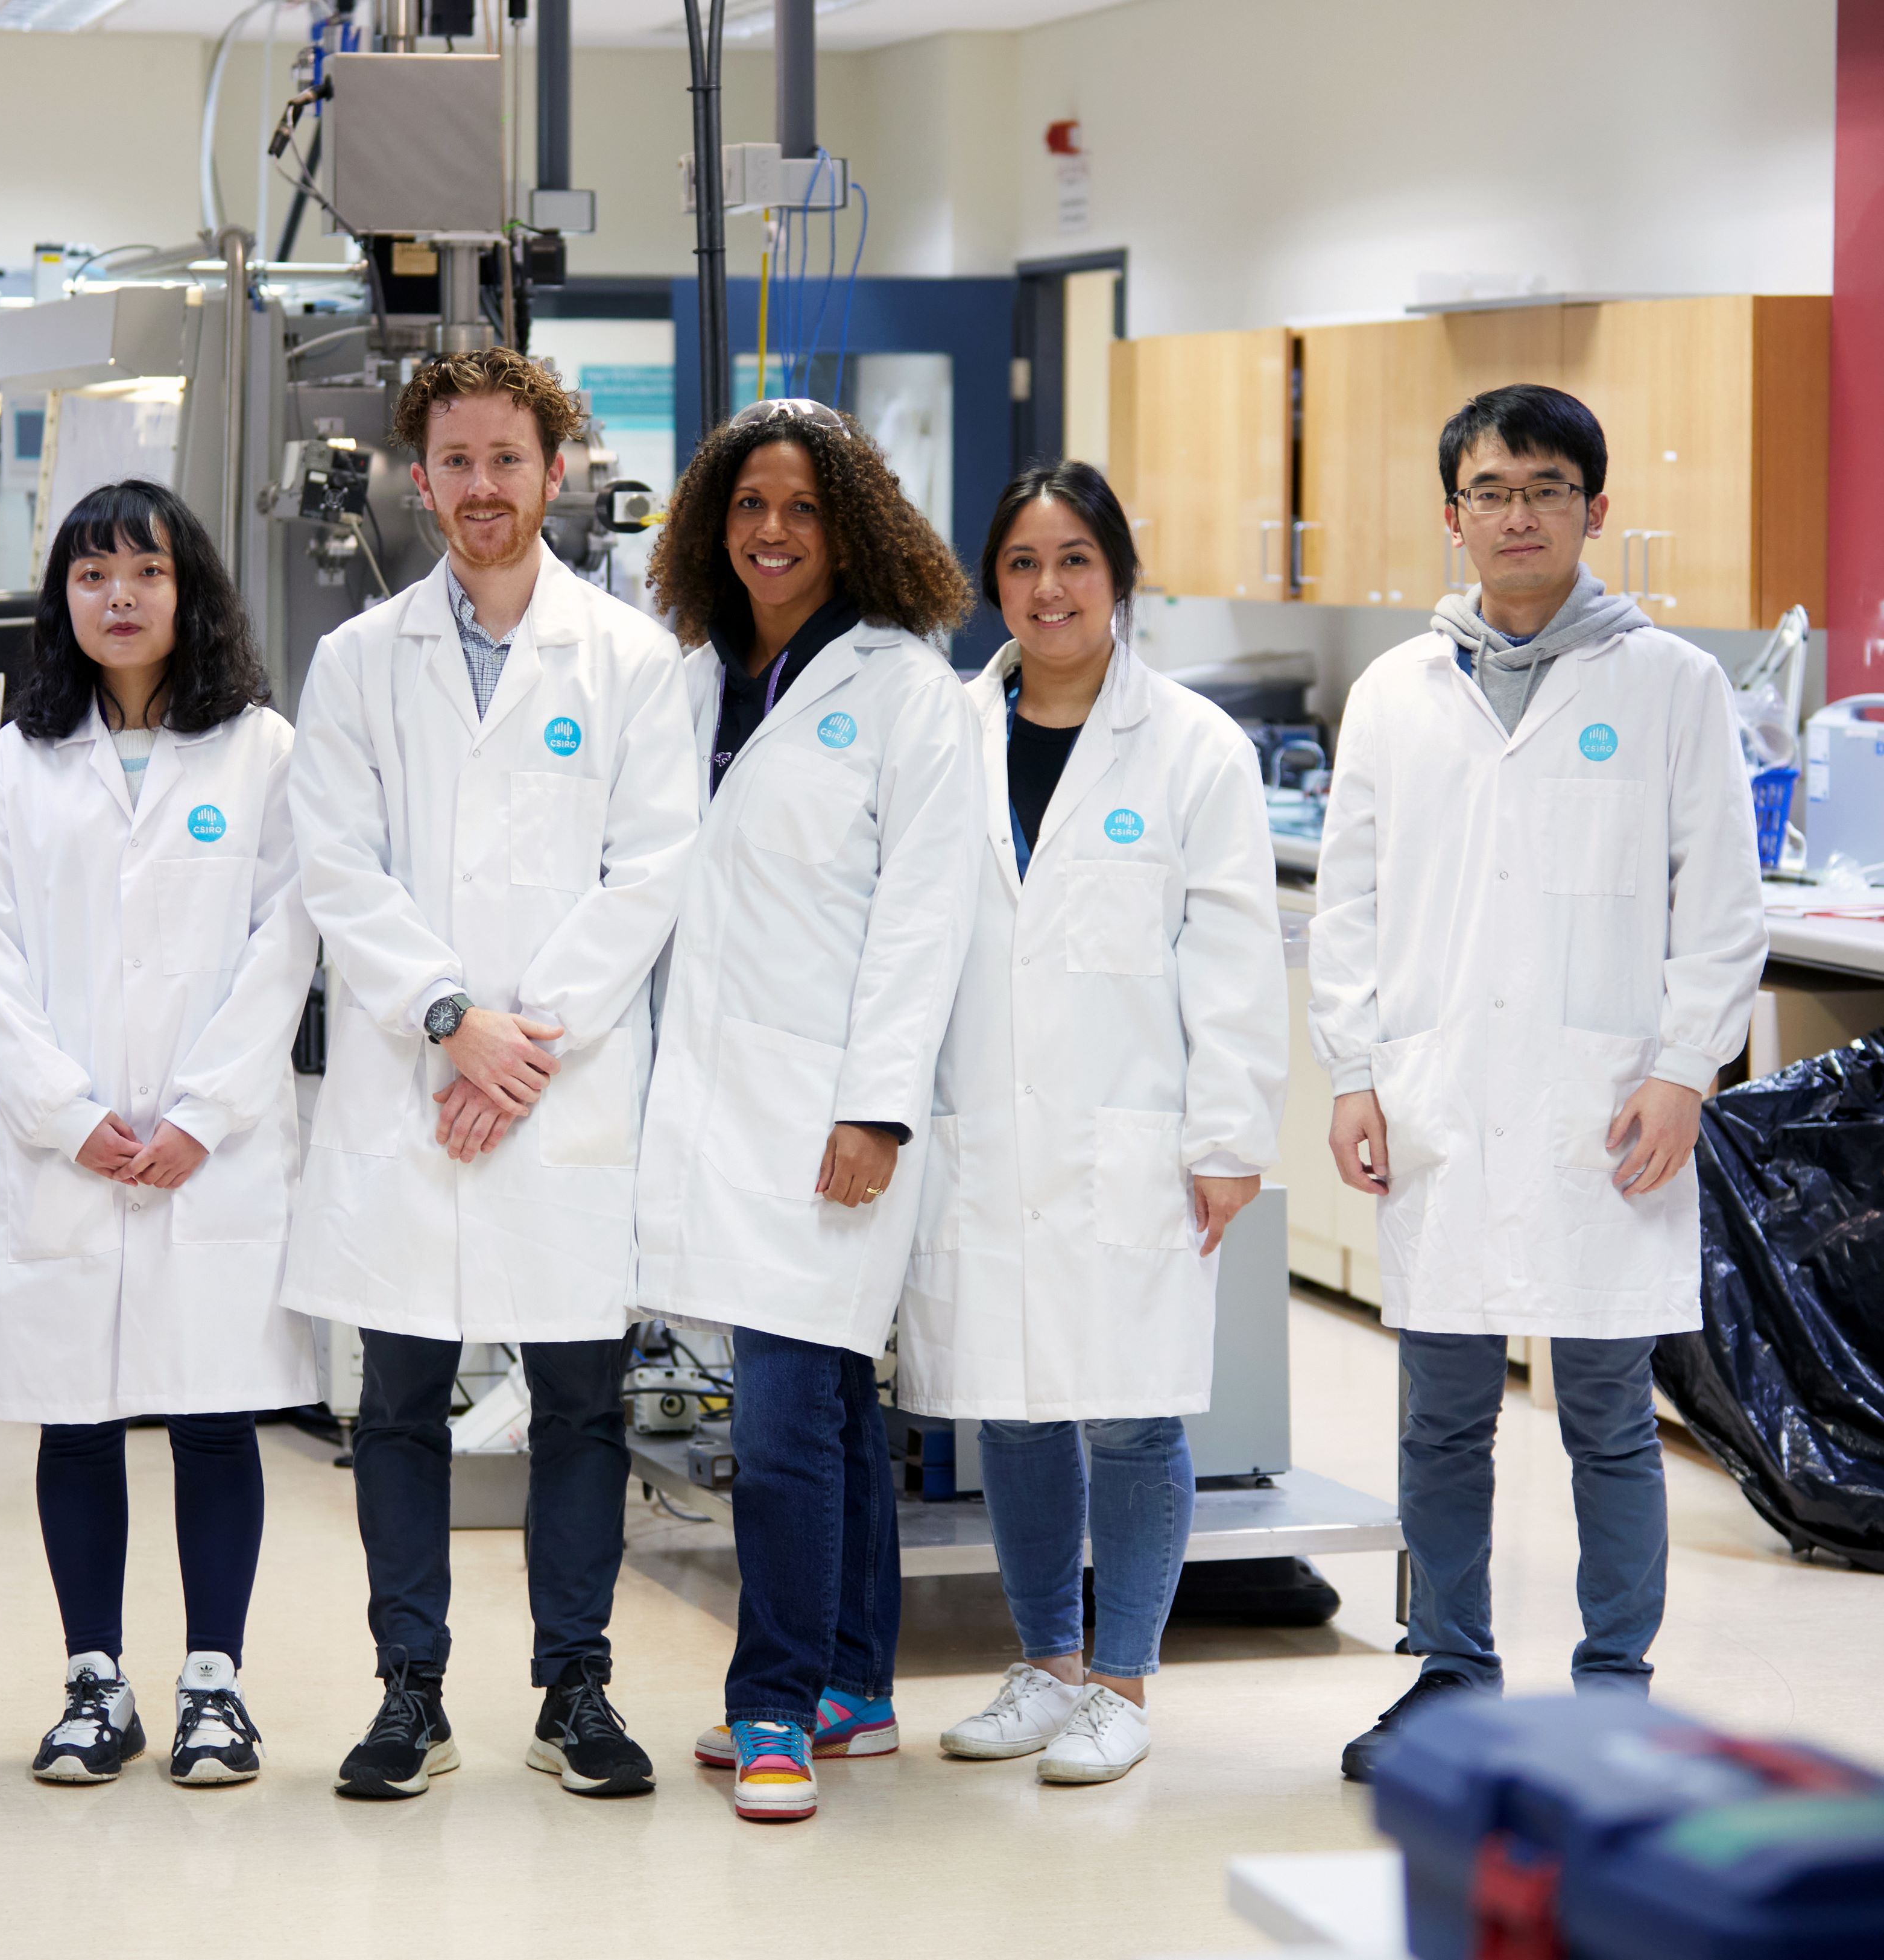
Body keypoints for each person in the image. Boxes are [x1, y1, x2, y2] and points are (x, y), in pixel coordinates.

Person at [1312, 385, 1768, 1780]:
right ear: (1452, 515)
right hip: (1441, 1099)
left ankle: (1611, 1692)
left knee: (1608, 1420)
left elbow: (1724, 903)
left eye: (1548, 489)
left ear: (1596, 511)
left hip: (1604, 1110)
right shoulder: (1396, 690)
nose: (1520, 514)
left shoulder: (1672, 683)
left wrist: (1687, 1067)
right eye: (1494, 490)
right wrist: (1353, 1068)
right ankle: (1450, 1673)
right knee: (1440, 1414)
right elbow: (1350, 900)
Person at [285, 347, 698, 1801]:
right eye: (454, 461)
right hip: (419, 1081)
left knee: (581, 1406)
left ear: (557, 471)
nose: (481, 488)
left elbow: (649, 869)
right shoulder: (357, 661)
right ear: (419, 479)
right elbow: (335, 862)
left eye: (506, 460)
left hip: (559, 1088)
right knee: (393, 1404)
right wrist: (453, 1018)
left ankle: (572, 1685)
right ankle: (411, 1687)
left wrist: (521, 1047)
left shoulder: (632, 658)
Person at [897, 462, 1287, 1785]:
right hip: (988, 1132)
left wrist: (1227, 1138)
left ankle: (1121, 1679)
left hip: (1136, 1134)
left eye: (1073, 560)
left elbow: (1233, 957)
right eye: (1021, 563)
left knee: (1128, 1413)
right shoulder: (944, 734)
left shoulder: (1191, 748)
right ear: (989, 582)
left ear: (1118, 574)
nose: (1047, 588)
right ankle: (1045, 1663)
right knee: (1009, 1405)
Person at [634, 397, 984, 1823]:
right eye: (748, 507)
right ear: (715, 529)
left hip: (836, 1111)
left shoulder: (906, 690)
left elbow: (926, 919)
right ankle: (857, 1681)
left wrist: (877, 1109)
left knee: (783, 1420)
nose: (772, 531)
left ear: (854, 527)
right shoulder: (697, 679)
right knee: (830, 1402)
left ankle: (768, 1702)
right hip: (715, 1099)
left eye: (801, 507)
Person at [0, 479, 318, 1788]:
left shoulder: (261, 749)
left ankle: (215, 1683)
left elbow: (289, 941)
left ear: (189, 589)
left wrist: (204, 1114)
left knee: (216, 1413)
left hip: (209, 1148)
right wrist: (67, 1114)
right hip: (73, 1149)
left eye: (145, 572)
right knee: (77, 1414)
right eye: (93, 573)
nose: (119, 596)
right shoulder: (12, 757)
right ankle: (93, 1680)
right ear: (61, 597)